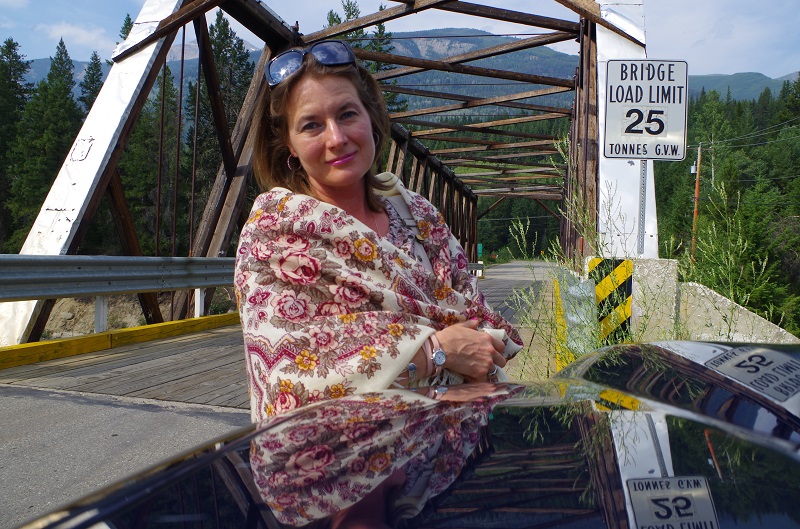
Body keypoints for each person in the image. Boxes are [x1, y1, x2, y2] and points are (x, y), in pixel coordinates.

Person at [235, 39, 523, 424]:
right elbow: (285, 381)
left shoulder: (418, 216)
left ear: (370, 117)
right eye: (311, 125)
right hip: (348, 451)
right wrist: (436, 352)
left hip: (457, 441)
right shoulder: (275, 235)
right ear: (288, 142)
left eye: (347, 114)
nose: (336, 138)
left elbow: (475, 319)